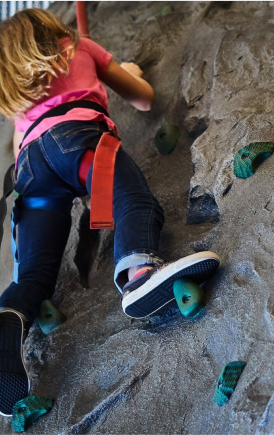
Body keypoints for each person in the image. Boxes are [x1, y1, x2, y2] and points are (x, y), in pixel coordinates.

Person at [0, 9, 220, 416]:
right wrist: (125, 70)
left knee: (34, 273)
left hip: (31, 168)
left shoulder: (17, 102)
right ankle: (139, 274)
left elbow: (23, 148)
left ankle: (11, 313)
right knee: (133, 203)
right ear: (52, 30)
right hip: (81, 143)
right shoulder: (80, 47)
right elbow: (143, 97)